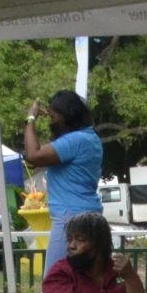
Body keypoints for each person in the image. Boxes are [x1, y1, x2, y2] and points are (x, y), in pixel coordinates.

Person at [21, 89, 103, 265]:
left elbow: (33, 155)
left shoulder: (75, 140)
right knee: (83, 277)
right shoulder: (91, 137)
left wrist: (31, 119)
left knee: (54, 279)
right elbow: (40, 160)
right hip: (90, 212)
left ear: (66, 115)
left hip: (69, 217)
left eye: (53, 117)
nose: (51, 122)